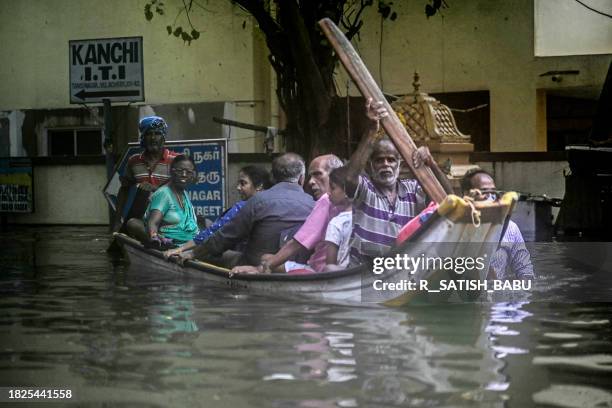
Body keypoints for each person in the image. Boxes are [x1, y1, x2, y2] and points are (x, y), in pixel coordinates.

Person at [344, 99, 454, 266]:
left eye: (391, 160)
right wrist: (372, 131)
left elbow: (448, 199)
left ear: (399, 164)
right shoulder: (366, 188)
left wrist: (431, 164)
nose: (386, 164)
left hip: (399, 271)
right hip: (363, 270)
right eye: (380, 160)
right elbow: (349, 178)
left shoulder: (412, 188)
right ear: (370, 165)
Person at [191, 153, 315, 268]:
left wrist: (192, 254)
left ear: (273, 176)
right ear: (302, 179)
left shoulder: (257, 201)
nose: (239, 188)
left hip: (254, 266)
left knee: (210, 253)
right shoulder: (314, 205)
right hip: (297, 268)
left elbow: (224, 237)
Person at [234, 154, 344, 274]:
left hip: (316, 271)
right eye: (310, 176)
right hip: (337, 268)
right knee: (268, 259)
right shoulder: (349, 201)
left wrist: (259, 269)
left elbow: (297, 244)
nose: (311, 182)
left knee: (266, 260)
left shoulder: (325, 200)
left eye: (318, 174)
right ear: (301, 179)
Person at [163, 165, 272, 259]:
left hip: (245, 258)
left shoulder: (243, 207)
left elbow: (214, 231)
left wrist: (181, 249)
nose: (238, 188)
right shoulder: (272, 203)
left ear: (259, 186)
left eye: (243, 183)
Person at [461, 168, 535, 281]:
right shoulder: (457, 228)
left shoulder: (510, 228)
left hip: (498, 294)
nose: (490, 197)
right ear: (467, 194)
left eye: (493, 192)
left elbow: (525, 270)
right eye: (484, 192)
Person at [112, 116, 178, 234]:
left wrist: (155, 189)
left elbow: (180, 192)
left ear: (163, 137)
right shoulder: (134, 161)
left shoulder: (176, 160)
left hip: (170, 219)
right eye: (148, 134)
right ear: (143, 137)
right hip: (143, 221)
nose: (153, 138)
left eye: (157, 133)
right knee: (131, 225)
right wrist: (117, 221)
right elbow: (124, 190)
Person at [126, 155, 199, 248]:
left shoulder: (183, 193)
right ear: (172, 172)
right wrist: (154, 238)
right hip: (172, 245)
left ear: (193, 175)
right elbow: (153, 222)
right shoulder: (164, 194)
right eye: (180, 171)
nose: (184, 174)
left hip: (190, 244)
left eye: (188, 172)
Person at [322, 166, 353, 272]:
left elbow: (330, 262)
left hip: (345, 278)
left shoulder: (337, 223)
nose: (328, 192)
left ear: (347, 191)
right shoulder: (370, 215)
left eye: (332, 188)